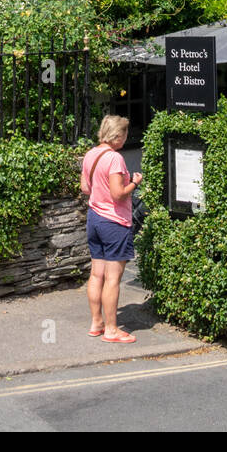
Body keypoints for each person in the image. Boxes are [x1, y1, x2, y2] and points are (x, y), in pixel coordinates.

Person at [80, 115, 142, 344]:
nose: (126, 138)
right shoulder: (115, 159)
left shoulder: (91, 154)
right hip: (114, 222)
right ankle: (112, 329)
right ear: (117, 136)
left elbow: (85, 188)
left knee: (97, 274)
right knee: (113, 279)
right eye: (125, 134)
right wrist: (135, 182)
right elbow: (118, 193)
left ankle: (97, 323)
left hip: (94, 218)